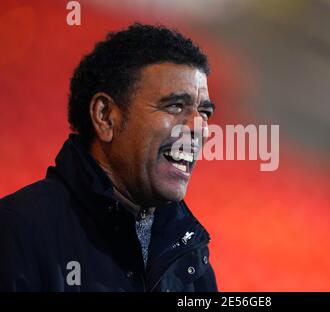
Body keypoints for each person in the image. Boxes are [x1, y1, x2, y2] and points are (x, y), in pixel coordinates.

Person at [0, 23, 217, 292]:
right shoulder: (15, 233)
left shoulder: (189, 253)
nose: (200, 128)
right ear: (105, 117)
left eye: (205, 112)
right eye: (175, 105)